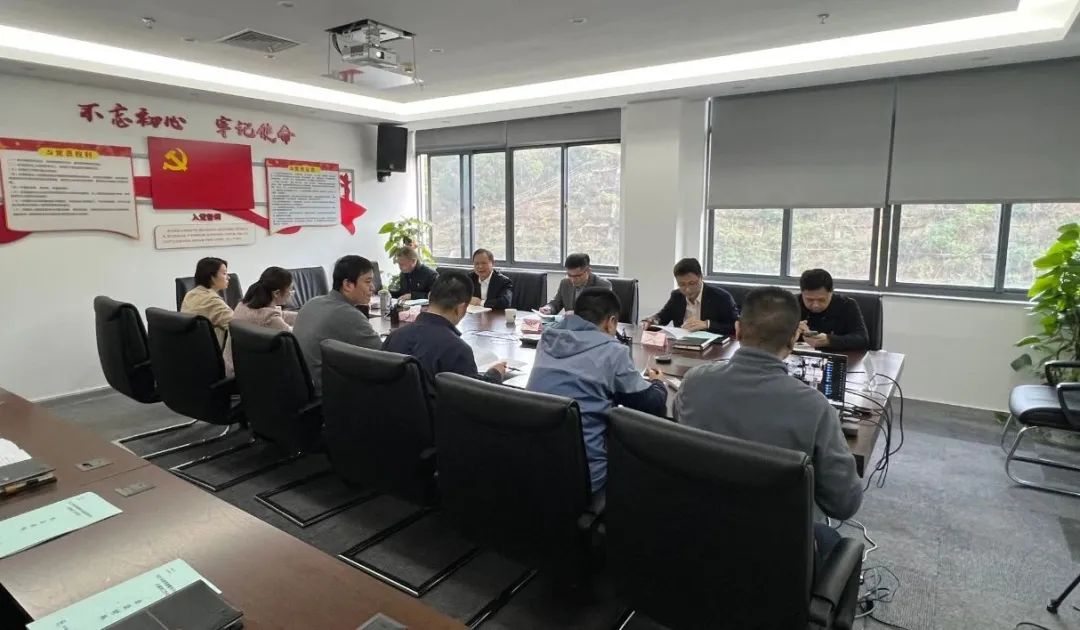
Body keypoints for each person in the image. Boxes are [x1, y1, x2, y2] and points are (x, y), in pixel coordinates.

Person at [673, 286, 862, 563]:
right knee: (830, 539)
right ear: (793, 339)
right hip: (779, 552)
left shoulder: (693, 383)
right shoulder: (815, 407)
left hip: (698, 530)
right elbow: (844, 503)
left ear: (737, 329)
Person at [528, 288, 667, 494]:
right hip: (585, 478)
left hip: (534, 467)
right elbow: (651, 405)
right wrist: (658, 384)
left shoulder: (547, 339)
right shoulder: (613, 351)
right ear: (611, 322)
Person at [383, 270, 507, 387]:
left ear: (430, 297)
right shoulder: (457, 350)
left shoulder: (394, 337)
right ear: (461, 308)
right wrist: (494, 374)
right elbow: (474, 396)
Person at [293, 255, 382, 393]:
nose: (373, 287)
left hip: (302, 387)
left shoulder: (312, 302)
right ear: (347, 285)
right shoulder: (348, 314)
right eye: (368, 282)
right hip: (327, 393)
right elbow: (384, 355)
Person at [222, 267, 297, 377]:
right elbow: (293, 336)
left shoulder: (243, 305)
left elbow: (280, 315)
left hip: (233, 366)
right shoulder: (269, 318)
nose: (291, 293)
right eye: (290, 290)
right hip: (246, 374)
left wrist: (303, 315)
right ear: (276, 293)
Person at [642, 258, 739, 335]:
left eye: (692, 283)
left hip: (713, 348)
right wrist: (652, 321)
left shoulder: (721, 297)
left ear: (701, 277)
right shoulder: (677, 296)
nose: (687, 289)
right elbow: (662, 317)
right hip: (682, 345)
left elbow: (735, 326)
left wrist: (706, 324)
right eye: (682, 284)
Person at [798, 269, 869, 351]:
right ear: (802, 293)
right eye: (809, 300)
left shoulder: (847, 305)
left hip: (838, 355)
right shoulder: (792, 304)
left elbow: (863, 339)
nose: (815, 305)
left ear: (831, 292)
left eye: (821, 300)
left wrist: (830, 340)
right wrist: (791, 332)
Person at [180, 257, 233, 347]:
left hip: (190, 347)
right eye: (224, 273)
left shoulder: (190, 294)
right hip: (212, 350)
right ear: (212, 277)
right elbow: (238, 326)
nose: (228, 277)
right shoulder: (211, 301)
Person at [540, 253, 612, 315]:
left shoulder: (603, 285)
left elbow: (602, 312)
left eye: (577, 276)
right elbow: (556, 303)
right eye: (569, 275)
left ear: (588, 271)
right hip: (571, 325)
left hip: (592, 326)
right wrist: (549, 308)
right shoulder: (565, 283)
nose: (573, 280)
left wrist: (576, 314)